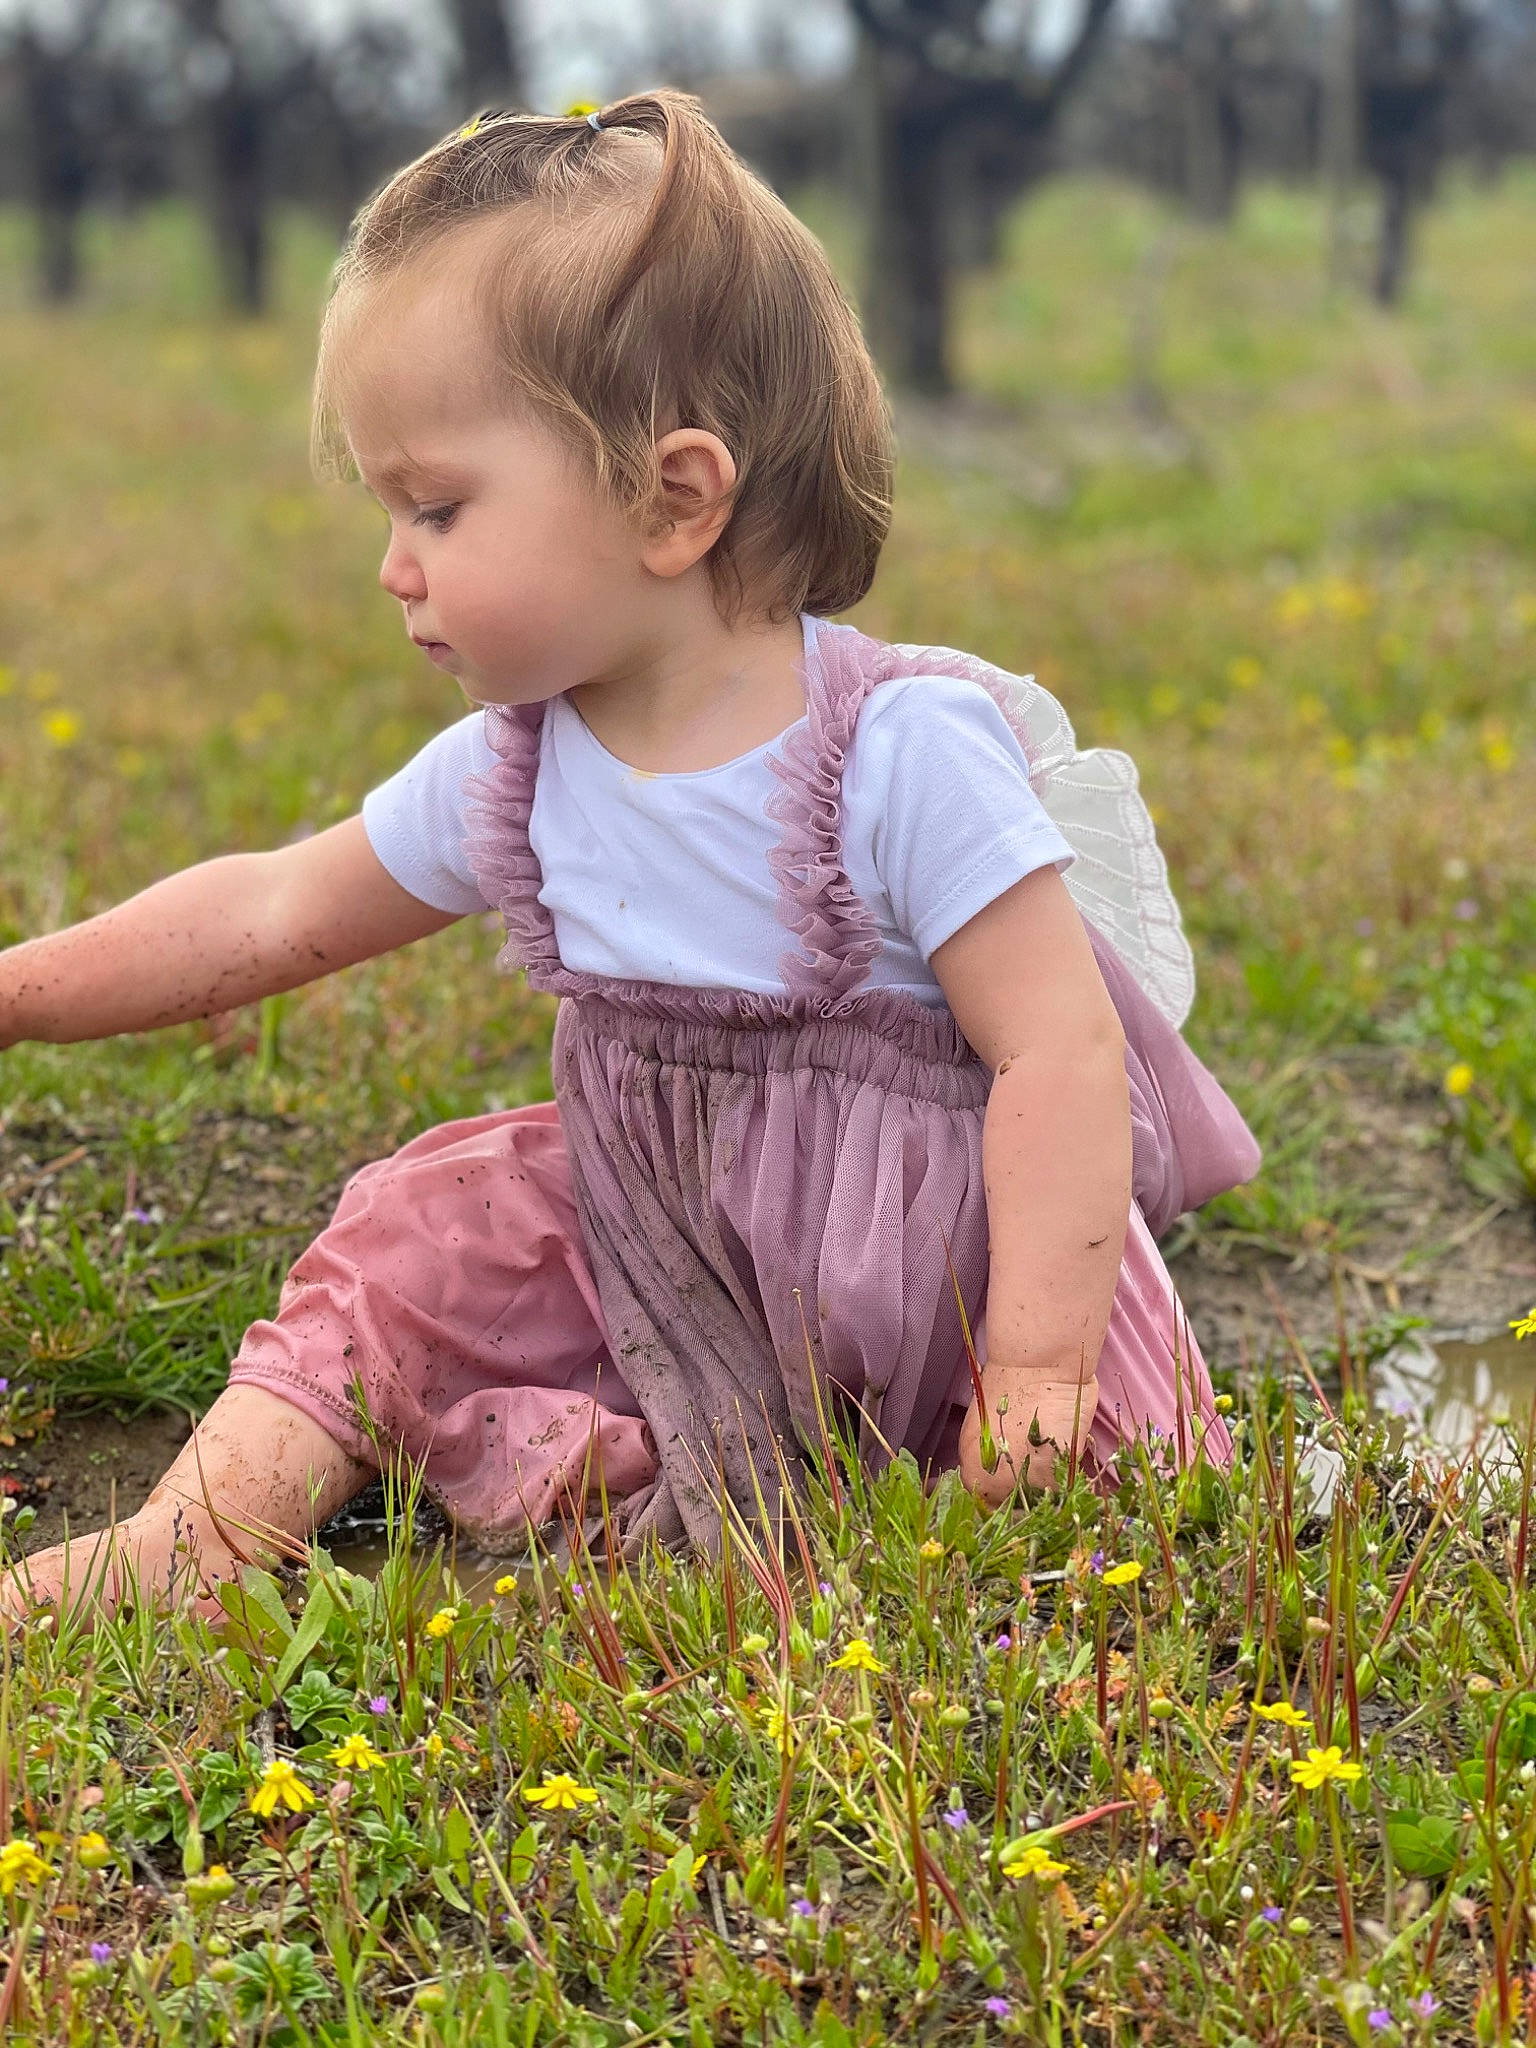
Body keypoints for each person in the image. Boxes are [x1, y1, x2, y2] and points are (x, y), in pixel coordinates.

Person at [0, 92, 1259, 1618]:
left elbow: (1057, 1056)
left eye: (439, 506)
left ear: (675, 499)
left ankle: (956, 1451)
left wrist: (1043, 1355)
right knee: (415, 1245)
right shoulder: (522, 762)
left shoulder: (901, 750)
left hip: (941, 1289)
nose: (395, 569)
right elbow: (280, 905)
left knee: (1080, 1528)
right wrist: (25, 991)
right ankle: (195, 1537)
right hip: (659, 1246)